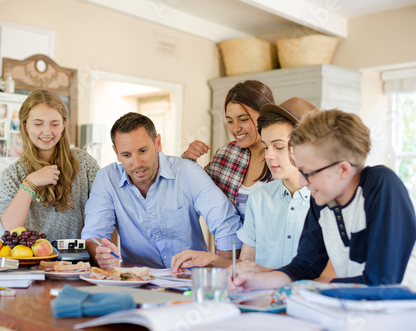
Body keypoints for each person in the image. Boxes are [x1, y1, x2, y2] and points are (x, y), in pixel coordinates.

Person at [230, 109, 416, 293]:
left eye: (308, 172)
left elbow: (381, 282)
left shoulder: (382, 185)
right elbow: (304, 266)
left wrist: (311, 288)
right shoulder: (321, 198)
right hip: (359, 311)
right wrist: (255, 281)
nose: (303, 181)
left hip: (410, 317)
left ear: (343, 169)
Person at [171, 97, 318, 273]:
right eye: (265, 147)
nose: (269, 156)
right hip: (262, 298)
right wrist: (210, 259)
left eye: (278, 147)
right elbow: (246, 265)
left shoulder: (327, 202)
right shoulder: (260, 198)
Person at [82, 112, 243, 269]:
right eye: (126, 155)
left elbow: (225, 223)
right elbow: (92, 235)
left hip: (190, 280)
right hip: (138, 282)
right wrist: (99, 253)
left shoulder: (187, 172)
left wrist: (225, 273)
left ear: (158, 143)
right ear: (116, 153)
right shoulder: (106, 179)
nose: (137, 163)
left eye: (143, 151)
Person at [0, 89, 100, 242]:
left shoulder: (85, 164)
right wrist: (30, 182)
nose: (46, 131)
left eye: (54, 124)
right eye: (38, 124)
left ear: (63, 125)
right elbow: (9, 229)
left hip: (78, 263)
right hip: (29, 263)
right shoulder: (13, 174)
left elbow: (105, 213)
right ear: (25, 126)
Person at [182, 80, 274, 221]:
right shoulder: (226, 155)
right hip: (228, 243)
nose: (235, 129)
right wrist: (188, 159)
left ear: (265, 114)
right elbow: (191, 193)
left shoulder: (285, 158)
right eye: (230, 121)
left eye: (243, 119)